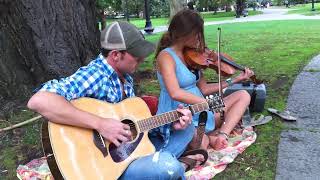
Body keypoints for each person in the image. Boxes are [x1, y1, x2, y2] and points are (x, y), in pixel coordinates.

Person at [27, 21, 206, 179]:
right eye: (136, 56)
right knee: (168, 167)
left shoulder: (125, 77)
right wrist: (101, 124)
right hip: (97, 165)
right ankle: (177, 165)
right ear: (115, 55)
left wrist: (171, 124)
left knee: (186, 129)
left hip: (123, 155)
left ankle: (157, 166)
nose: (142, 59)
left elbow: (135, 130)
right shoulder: (95, 74)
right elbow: (39, 100)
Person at [153, 9, 254, 151]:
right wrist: (206, 103)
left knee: (243, 95)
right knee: (199, 144)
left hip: (203, 109)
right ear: (186, 33)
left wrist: (236, 79)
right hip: (181, 115)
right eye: (197, 34)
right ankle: (209, 138)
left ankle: (222, 135)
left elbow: (205, 89)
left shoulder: (193, 56)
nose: (200, 39)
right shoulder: (166, 56)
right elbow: (175, 92)